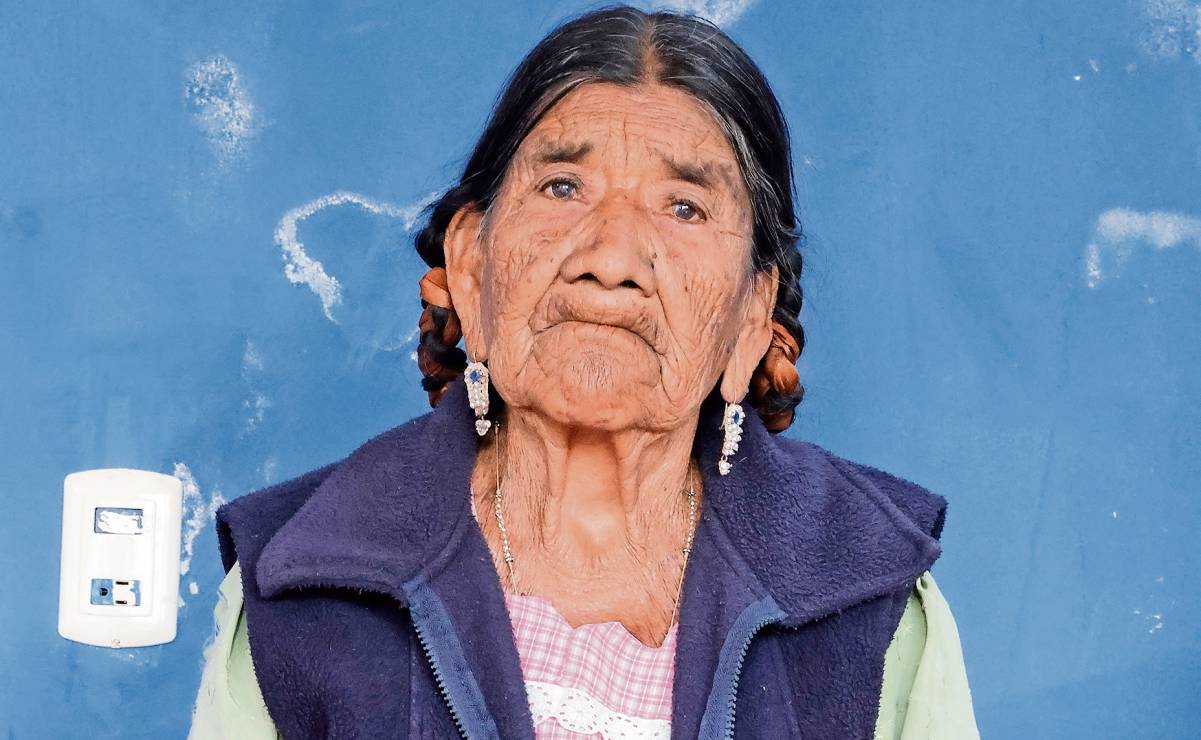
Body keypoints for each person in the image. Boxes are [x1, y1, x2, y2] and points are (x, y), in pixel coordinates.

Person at [190, 4, 979, 738]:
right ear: (470, 265)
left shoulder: (867, 597)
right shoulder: (301, 585)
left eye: (683, 207)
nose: (611, 258)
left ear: (750, 317)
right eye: (563, 187)